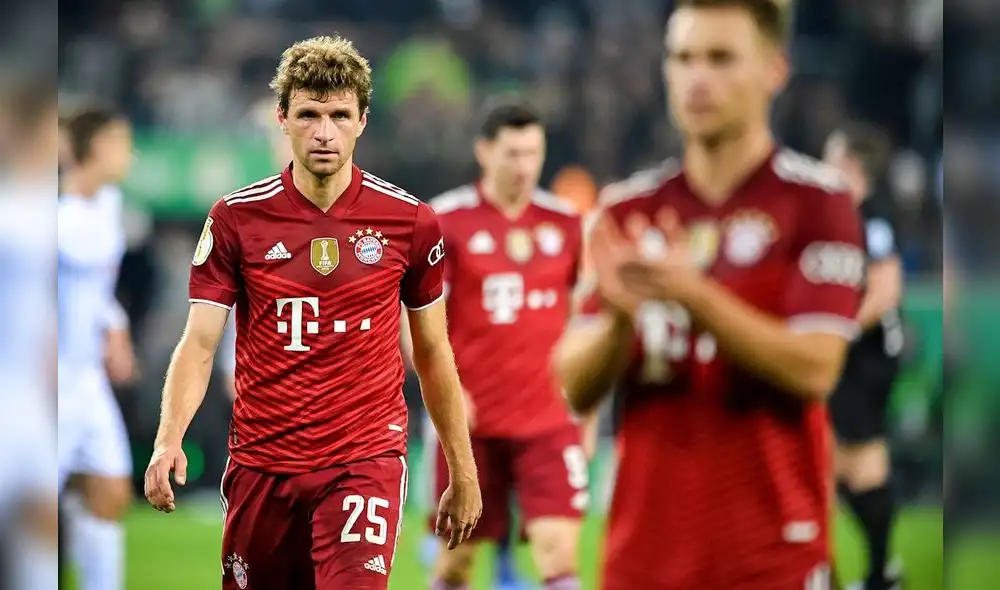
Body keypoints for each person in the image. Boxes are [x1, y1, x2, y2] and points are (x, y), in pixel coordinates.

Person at [143, 35, 482, 589]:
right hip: (262, 463)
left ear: (363, 121)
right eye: (309, 114)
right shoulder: (235, 220)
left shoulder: (410, 222)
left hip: (364, 459)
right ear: (282, 118)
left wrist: (462, 471)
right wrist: (167, 437)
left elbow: (434, 351)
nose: (325, 132)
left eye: (339, 115)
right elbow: (200, 343)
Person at [554, 0, 867, 587]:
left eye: (721, 58)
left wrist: (691, 293)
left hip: (772, 557)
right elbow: (571, 385)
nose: (698, 78)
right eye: (684, 58)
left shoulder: (817, 203)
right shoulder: (627, 210)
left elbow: (816, 368)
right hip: (642, 558)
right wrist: (620, 324)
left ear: (775, 69)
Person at [426, 102, 587, 590]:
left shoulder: (565, 223)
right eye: (512, 153)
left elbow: (581, 313)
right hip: (471, 424)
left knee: (558, 551)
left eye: (532, 153)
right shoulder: (447, 221)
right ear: (484, 152)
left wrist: (584, 394)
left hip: (547, 420)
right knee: (456, 562)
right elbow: (415, 322)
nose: (523, 166)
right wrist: (447, 394)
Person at [57, 104, 137, 590]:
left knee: (110, 489)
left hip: (86, 379)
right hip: (44, 384)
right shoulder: (54, 221)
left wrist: (115, 329)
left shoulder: (108, 208)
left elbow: (99, 293)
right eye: (122, 143)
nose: (129, 154)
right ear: (97, 147)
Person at [823, 124, 905, 590]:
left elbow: (885, 291)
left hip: (863, 360)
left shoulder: (871, 220)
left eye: (831, 159)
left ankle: (871, 574)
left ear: (852, 167)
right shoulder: (844, 217)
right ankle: (879, 574)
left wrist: (835, 331)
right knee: (851, 464)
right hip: (855, 358)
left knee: (847, 460)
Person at [0, 79, 59, 590]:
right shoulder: (18, 213)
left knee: (39, 527)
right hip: (14, 394)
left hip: (26, 395)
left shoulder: (40, 206)